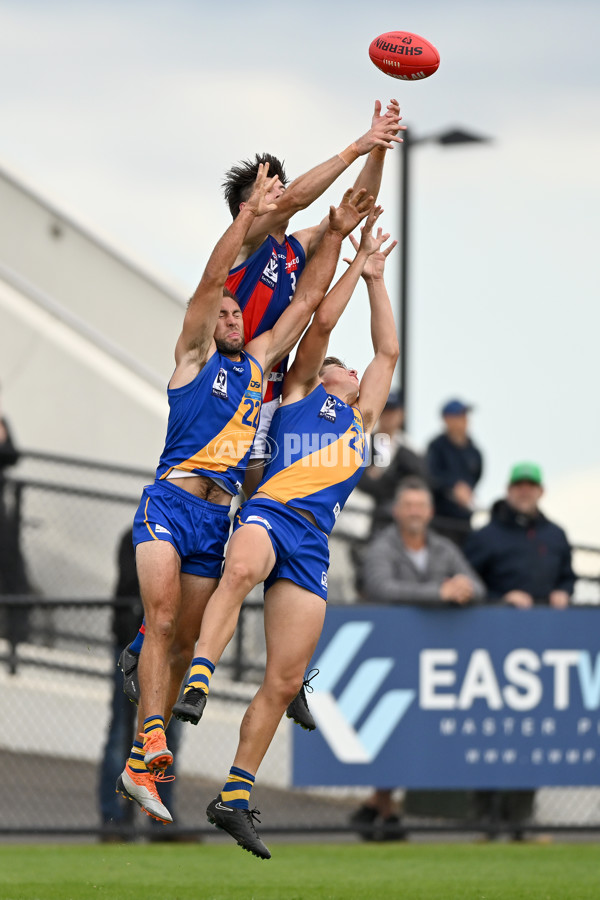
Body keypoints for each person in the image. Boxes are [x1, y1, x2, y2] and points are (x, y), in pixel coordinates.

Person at [116, 169, 375, 825]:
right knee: (166, 620)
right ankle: (150, 740)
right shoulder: (195, 353)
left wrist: (343, 241)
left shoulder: (261, 363)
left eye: (238, 311)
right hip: (169, 504)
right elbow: (211, 280)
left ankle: (139, 760)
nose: (232, 315)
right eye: (224, 310)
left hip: (215, 515)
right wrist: (249, 216)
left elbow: (310, 300)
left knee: (183, 641)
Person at [118, 99, 404, 681]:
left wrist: (376, 149)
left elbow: (351, 209)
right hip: (233, 395)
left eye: (279, 185)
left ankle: (283, 654)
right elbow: (299, 198)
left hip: (274, 395)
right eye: (269, 188)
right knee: (238, 506)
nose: (282, 193)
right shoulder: (246, 243)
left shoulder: (288, 247)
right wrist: (356, 142)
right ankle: (158, 633)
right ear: (249, 205)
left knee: (272, 507)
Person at [172, 212, 399, 858]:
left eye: (352, 369)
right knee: (239, 571)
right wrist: (354, 264)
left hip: (311, 543)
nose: (354, 369)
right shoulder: (301, 391)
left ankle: (234, 796)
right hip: (269, 511)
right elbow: (322, 322)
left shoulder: (362, 419)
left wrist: (378, 278)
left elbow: (388, 352)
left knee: (285, 677)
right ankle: (200, 677)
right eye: (344, 367)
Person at [349, 475, 485, 838]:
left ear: (430, 511)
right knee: (392, 733)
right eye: (408, 505)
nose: (414, 512)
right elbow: (380, 587)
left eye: (420, 506)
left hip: (434, 661)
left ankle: (377, 808)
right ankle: (384, 809)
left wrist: (461, 589)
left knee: (413, 736)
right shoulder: (382, 546)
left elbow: (477, 585)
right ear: (396, 511)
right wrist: (439, 592)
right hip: (388, 656)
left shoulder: (443, 548)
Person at [463, 461, 576, 836]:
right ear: (509, 490)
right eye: (519, 485)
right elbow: (468, 583)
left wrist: (565, 591)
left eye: (531, 485)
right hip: (492, 648)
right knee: (489, 731)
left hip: (541, 649)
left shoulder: (557, 535)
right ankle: (486, 818)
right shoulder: (487, 535)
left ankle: (519, 819)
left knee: (530, 737)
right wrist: (500, 598)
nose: (525, 491)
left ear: (540, 491)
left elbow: (568, 575)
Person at [98, 527, 183, 840]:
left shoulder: (145, 535)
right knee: (123, 731)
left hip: (163, 649)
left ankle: (155, 819)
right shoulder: (137, 536)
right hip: (135, 645)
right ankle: (115, 818)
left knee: (163, 736)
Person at [426, 398, 483, 546]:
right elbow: (430, 476)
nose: (464, 420)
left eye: (465, 415)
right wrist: (453, 488)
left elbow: (476, 477)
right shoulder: (436, 447)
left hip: (464, 520)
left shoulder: (474, 451)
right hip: (440, 520)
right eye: (459, 416)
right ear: (446, 419)